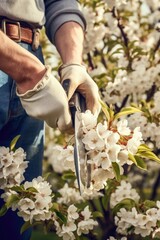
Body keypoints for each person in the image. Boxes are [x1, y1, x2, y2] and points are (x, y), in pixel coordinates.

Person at [0, 1, 101, 239]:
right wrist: (28, 71)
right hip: (28, 66)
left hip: (31, 55)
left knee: (17, 218)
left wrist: (74, 64)